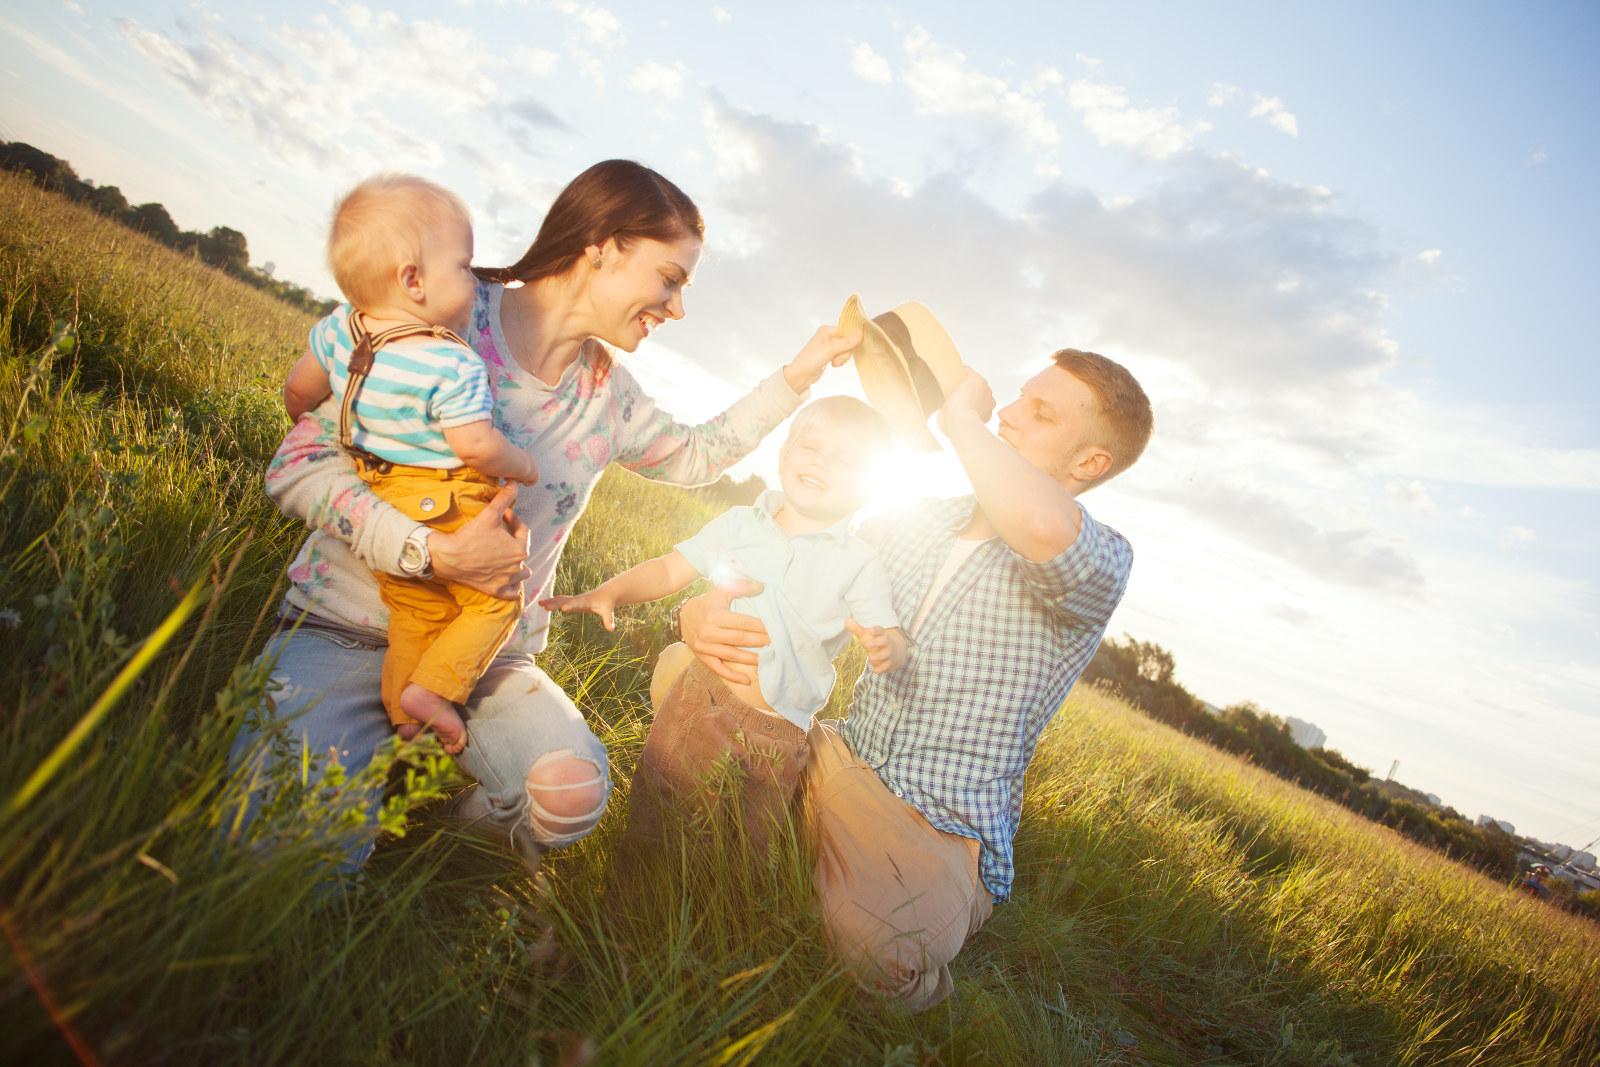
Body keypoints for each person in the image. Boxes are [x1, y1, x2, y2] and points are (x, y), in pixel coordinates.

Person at [237, 159, 860, 875]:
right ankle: (356, 787)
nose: (676, 307)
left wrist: (803, 370)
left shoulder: (611, 398)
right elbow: (302, 460)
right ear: (602, 245)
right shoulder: (447, 313)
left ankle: (434, 857)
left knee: (567, 794)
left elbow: (698, 455)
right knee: (278, 858)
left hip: (488, 660)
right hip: (343, 627)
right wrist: (428, 553)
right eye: (670, 278)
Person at [679, 346, 1153, 1010]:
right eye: (1016, 397)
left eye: (1038, 413)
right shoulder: (913, 518)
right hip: (835, 752)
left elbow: (1044, 523)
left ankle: (873, 916)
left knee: (877, 952)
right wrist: (699, 610)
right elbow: (789, 576)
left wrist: (963, 422)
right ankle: (793, 855)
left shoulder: (1099, 562)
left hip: (935, 822)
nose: (1007, 414)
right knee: (687, 676)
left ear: (1088, 465)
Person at [540, 396, 904, 852]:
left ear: (867, 487)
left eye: (844, 460)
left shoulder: (859, 562)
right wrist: (611, 591)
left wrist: (888, 646)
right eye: (810, 447)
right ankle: (635, 895)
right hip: (703, 695)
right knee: (661, 817)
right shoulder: (739, 524)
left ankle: (721, 911)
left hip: (779, 731)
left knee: (744, 851)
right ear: (784, 454)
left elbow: (885, 630)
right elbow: (672, 569)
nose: (821, 463)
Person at [280, 173, 541, 755]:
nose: (474, 280)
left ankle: (404, 714)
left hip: (379, 490)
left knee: (411, 611)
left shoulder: (337, 328)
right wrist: (521, 462)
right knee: (494, 602)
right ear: (413, 280)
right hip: (444, 499)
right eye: (464, 266)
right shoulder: (452, 362)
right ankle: (433, 692)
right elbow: (475, 447)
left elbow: (299, 396)